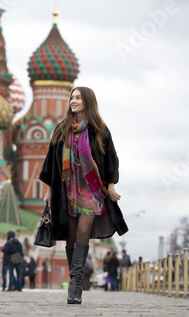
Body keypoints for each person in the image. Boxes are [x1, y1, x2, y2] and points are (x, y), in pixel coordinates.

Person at [39, 86, 128, 304]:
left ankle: (75, 283)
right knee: (70, 237)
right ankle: (76, 281)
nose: (73, 100)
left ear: (88, 101)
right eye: (72, 97)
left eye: (78, 97)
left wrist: (112, 187)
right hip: (66, 190)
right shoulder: (61, 130)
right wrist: (49, 192)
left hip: (91, 191)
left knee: (82, 232)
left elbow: (110, 159)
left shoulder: (99, 130)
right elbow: (52, 163)